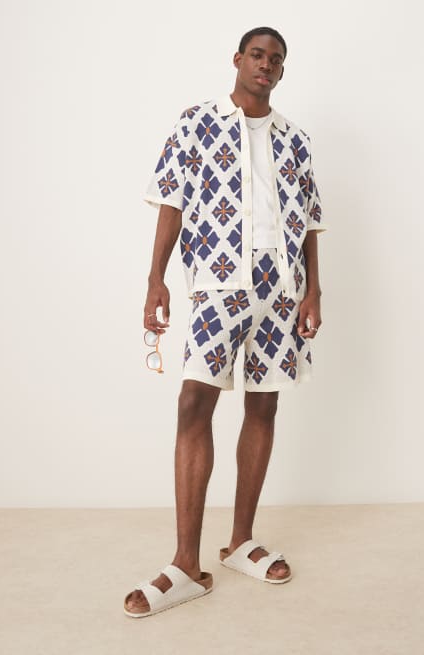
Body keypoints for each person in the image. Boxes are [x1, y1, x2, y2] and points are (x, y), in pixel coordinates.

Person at [124, 26, 328, 618]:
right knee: (195, 402)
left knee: (264, 406)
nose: (266, 65)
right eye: (257, 55)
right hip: (218, 282)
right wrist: (156, 278)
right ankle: (186, 564)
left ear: (282, 71)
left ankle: (241, 542)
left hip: (281, 290)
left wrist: (313, 290)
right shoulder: (197, 123)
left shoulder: (296, 140)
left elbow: (310, 220)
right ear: (238, 60)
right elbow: (171, 200)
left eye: (276, 60)